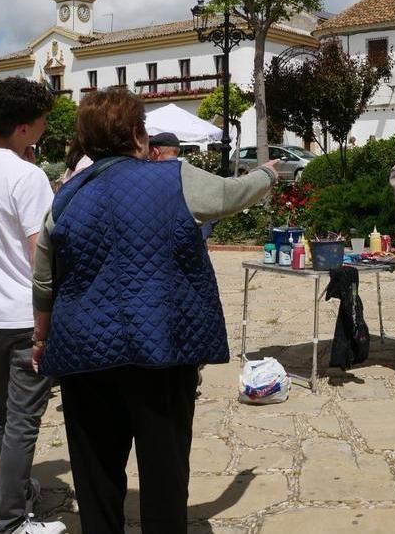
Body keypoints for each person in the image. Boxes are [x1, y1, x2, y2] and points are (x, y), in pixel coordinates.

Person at [31, 88, 278, 533]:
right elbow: (230, 195)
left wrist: (41, 337)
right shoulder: (174, 178)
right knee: (164, 471)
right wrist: (267, 174)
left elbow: (44, 277)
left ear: (85, 142)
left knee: (95, 475)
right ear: (137, 135)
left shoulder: (64, 198)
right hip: (162, 346)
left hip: (83, 353)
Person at [0, 77, 63, 534]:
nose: (43, 130)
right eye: (41, 122)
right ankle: (11, 522)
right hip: (23, 318)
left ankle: (15, 493)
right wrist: (49, 326)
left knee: (0, 414)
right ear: (23, 127)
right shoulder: (27, 176)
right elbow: (43, 259)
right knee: (22, 423)